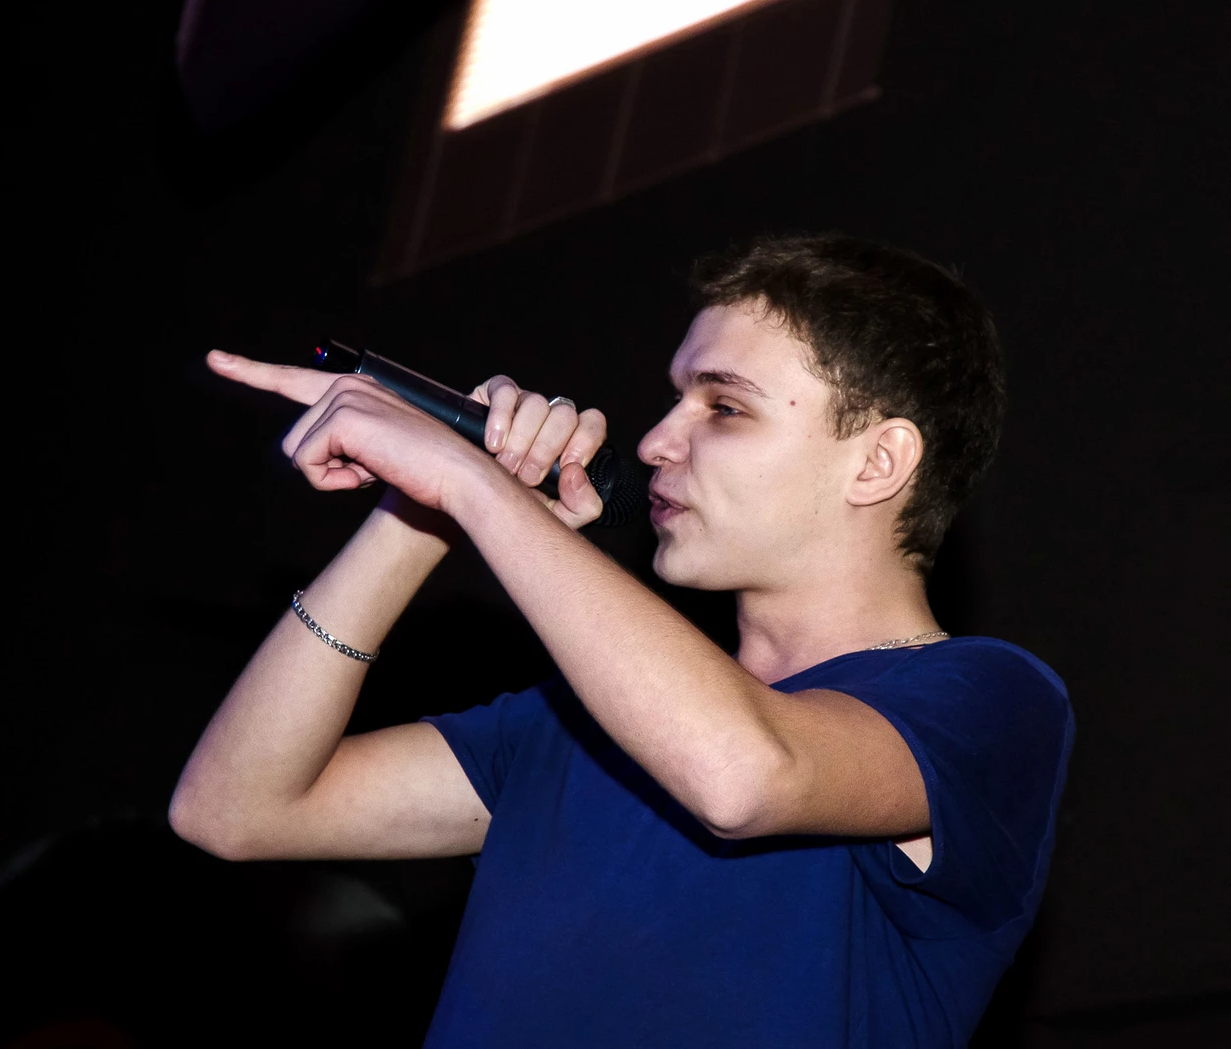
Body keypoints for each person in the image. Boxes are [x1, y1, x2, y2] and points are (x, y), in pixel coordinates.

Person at [170, 234, 1074, 1048]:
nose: (654, 442)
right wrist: (419, 513)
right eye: (677, 399)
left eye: (725, 407)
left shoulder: (990, 701)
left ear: (878, 463)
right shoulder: (576, 725)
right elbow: (234, 812)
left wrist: (476, 490)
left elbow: (744, 777)